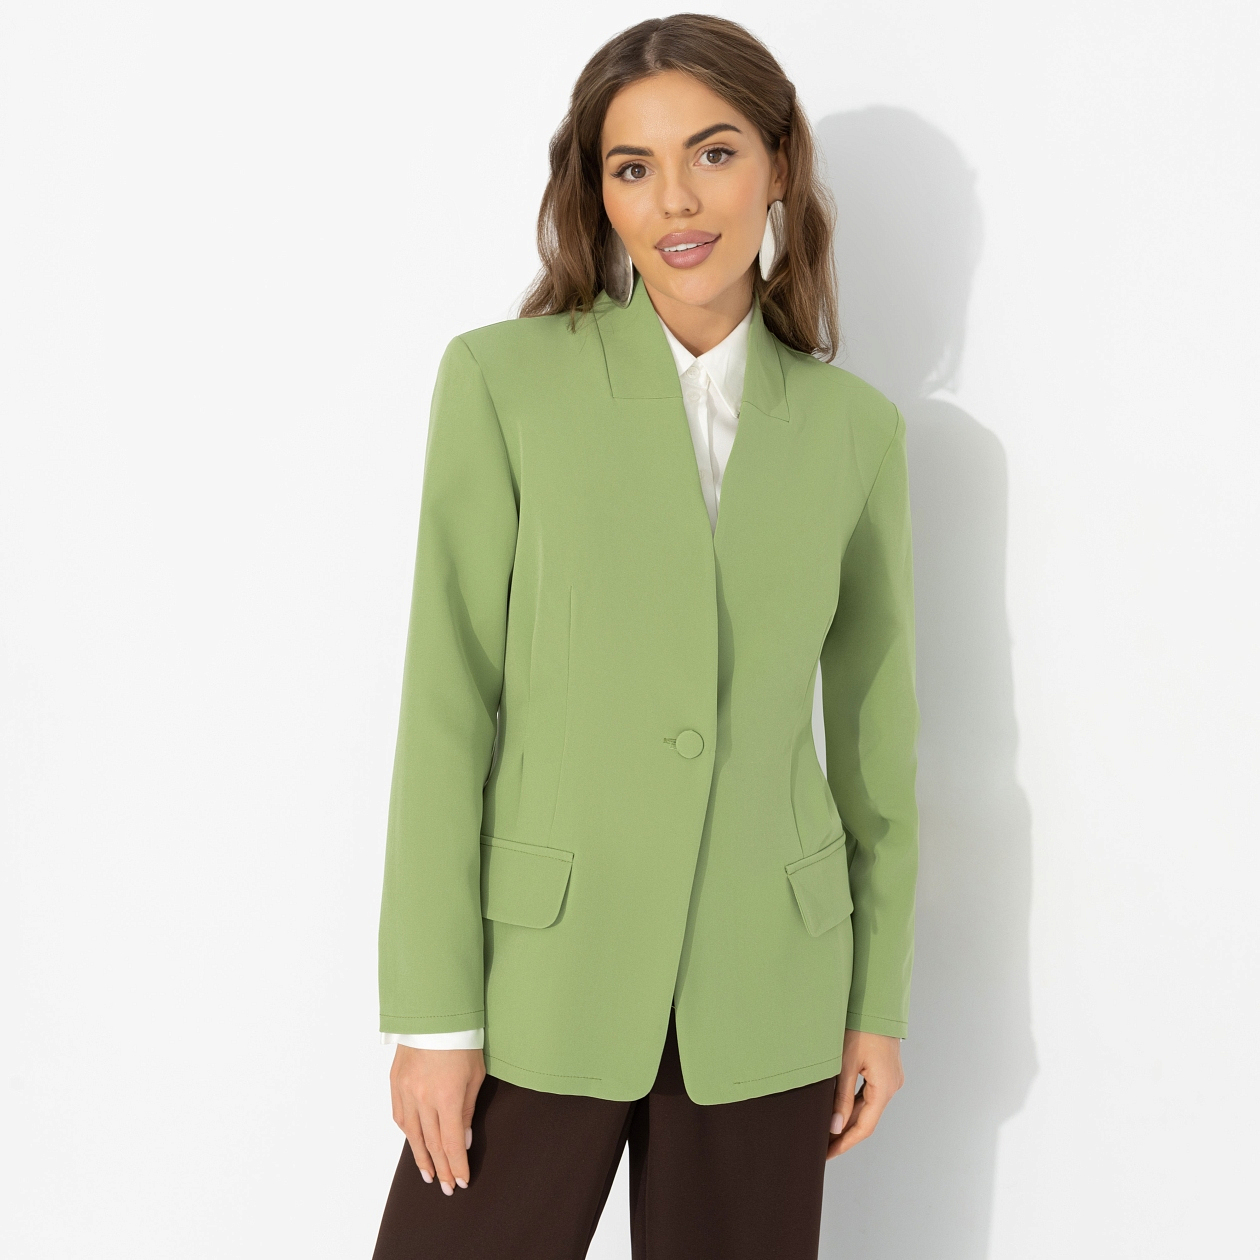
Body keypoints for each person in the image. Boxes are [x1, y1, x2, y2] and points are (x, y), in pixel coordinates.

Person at [372, 14, 919, 1259]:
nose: (675, 199)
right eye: (633, 166)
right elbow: (446, 706)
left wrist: (876, 1004)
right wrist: (437, 1017)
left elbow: (877, 744)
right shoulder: (505, 385)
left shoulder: (856, 432)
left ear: (779, 165)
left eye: (713, 153)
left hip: (769, 984)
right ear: (598, 190)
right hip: (542, 978)